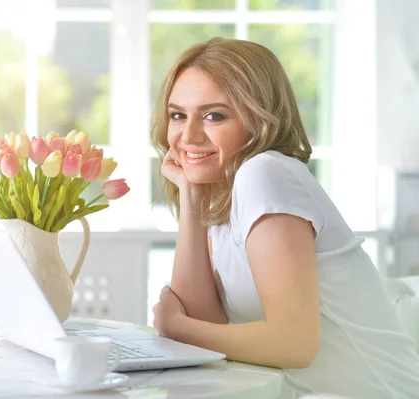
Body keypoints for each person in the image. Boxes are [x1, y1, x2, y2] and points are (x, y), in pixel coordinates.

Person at [150, 37, 419, 398]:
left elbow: (294, 345)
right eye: (178, 115)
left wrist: (175, 326)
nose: (188, 136)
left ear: (259, 117)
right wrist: (190, 192)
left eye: (214, 115)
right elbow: (208, 328)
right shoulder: (223, 192)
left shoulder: (265, 173)